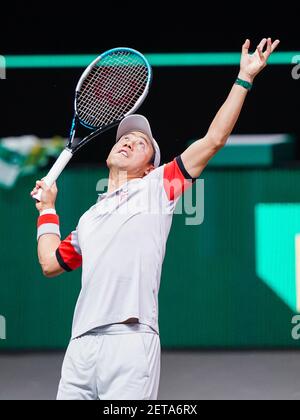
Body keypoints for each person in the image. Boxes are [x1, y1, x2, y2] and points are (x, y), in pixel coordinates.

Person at [31, 38, 280, 400]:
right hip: (80, 350)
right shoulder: (89, 219)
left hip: (130, 344)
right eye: (124, 137)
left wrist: (244, 78)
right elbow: (50, 263)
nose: (128, 141)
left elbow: (213, 140)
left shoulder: (157, 188)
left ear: (151, 166)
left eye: (141, 142)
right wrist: (47, 210)